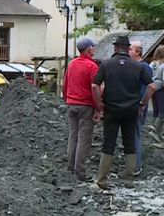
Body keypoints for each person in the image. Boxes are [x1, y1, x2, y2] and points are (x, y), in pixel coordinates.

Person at [92, 36, 157, 189]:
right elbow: (152, 87)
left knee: (109, 143)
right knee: (129, 143)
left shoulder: (106, 64)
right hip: (131, 110)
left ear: (115, 48)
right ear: (128, 49)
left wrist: (99, 104)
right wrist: (143, 102)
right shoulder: (138, 66)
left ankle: (102, 179)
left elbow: (95, 85)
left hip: (111, 110)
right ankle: (129, 178)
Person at [63, 37, 100, 181]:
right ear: (89, 49)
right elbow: (95, 88)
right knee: (84, 139)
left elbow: (64, 84)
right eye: (93, 47)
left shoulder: (71, 64)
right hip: (85, 105)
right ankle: (80, 171)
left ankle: (70, 167)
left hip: (71, 103)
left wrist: (68, 99)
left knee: (73, 136)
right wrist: (98, 107)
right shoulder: (92, 66)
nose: (94, 50)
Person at [129, 41, 152, 176]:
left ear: (138, 52)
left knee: (135, 135)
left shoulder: (144, 67)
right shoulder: (134, 66)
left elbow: (149, 87)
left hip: (138, 107)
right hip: (131, 105)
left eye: (131, 49)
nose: (128, 51)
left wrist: (142, 104)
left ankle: (136, 166)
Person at [148, 46, 164, 141]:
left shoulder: (151, 64)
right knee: (162, 111)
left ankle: (154, 128)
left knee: (156, 110)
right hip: (160, 88)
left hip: (152, 88)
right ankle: (155, 131)